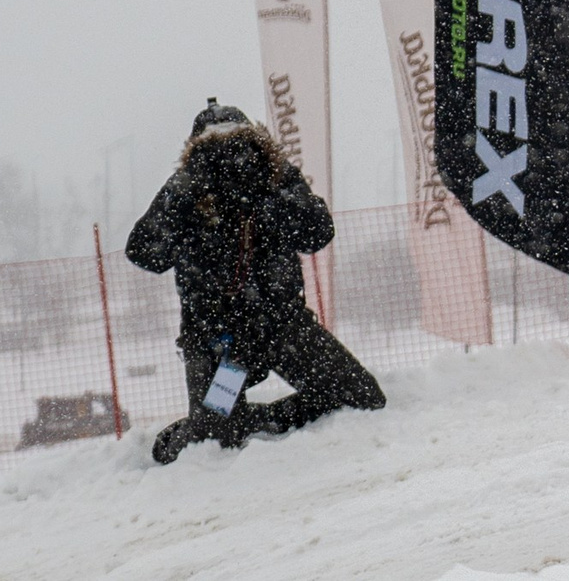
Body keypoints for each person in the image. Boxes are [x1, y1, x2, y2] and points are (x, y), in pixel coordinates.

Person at [126, 100, 385, 464]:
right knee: (215, 442)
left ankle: (254, 420)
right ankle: (198, 428)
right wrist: (184, 193)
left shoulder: (274, 178)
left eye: (239, 147)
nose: (229, 161)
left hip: (281, 329)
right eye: (214, 152)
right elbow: (143, 253)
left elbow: (318, 233)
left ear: (257, 145)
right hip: (221, 346)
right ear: (196, 154)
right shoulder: (188, 192)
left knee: (361, 397)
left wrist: (267, 193)